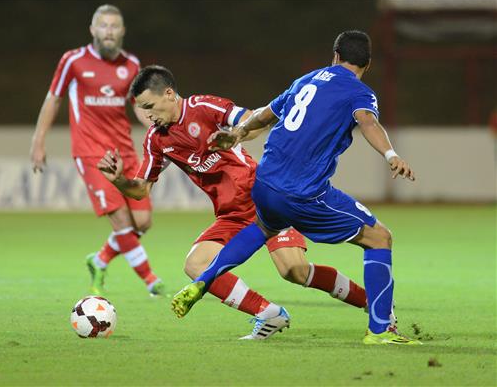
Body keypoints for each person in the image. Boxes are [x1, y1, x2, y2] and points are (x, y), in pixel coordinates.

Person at [171, 30, 422, 345]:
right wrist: (391, 154)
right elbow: (368, 122)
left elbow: (265, 115)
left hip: (264, 183)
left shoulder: (306, 80)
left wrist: (238, 132)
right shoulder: (360, 92)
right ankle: (381, 330)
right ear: (367, 64)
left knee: (263, 226)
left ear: (335, 56)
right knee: (379, 237)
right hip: (303, 193)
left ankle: (204, 279)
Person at [97, 65, 369, 340]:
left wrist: (236, 134)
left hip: (263, 198)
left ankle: (372, 302)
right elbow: (141, 189)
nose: (148, 115)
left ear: (169, 94)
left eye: (150, 106)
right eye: (143, 109)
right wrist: (118, 180)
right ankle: (268, 313)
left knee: (295, 271)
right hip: (230, 215)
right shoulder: (156, 140)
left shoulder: (202, 107)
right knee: (195, 265)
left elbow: (252, 121)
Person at [30, 4, 165, 296]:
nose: (108, 31)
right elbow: (53, 99)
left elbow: (140, 109)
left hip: (125, 152)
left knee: (142, 222)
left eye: (114, 26)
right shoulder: (73, 61)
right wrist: (38, 142)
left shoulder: (131, 65)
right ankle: (151, 280)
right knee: (121, 220)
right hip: (91, 153)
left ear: (122, 31)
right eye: (103, 26)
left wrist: (163, 132)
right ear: (92, 29)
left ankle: (100, 259)